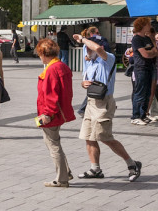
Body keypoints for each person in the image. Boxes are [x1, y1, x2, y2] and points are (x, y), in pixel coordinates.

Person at [73, 32, 141, 182]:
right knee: (88, 137)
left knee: (105, 137)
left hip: (104, 102)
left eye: (88, 48)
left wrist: (83, 39)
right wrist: (83, 83)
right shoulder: (89, 62)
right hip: (91, 102)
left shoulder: (108, 58)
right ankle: (95, 168)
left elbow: (97, 49)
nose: (87, 50)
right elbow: (85, 79)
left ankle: (132, 164)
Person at [34, 37, 76, 188]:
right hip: (59, 111)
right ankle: (66, 172)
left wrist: (47, 114)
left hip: (51, 113)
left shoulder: (51, 69)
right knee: (55, 142)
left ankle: (62, 179)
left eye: (40, 54)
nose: (39, 57)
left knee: (53, 145)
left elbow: (51, 94)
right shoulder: (61, 66)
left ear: (44, 54)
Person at [127, 17, 158, 125]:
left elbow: (155, 51)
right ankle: (135, 116)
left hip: (150, 67)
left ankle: (143, 115)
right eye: (148, 24)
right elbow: (145, 54)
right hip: (141, 68)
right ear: (143, 25)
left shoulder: (147, 38)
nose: (150, 26)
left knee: (147, 93)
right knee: (140, 92)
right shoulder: (136, 39)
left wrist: (151, 52)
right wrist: (151, 53)